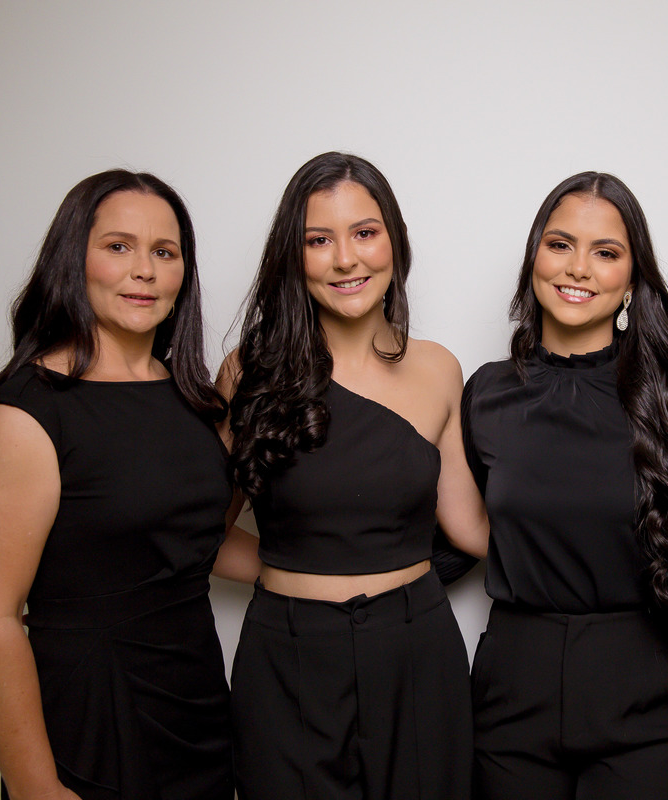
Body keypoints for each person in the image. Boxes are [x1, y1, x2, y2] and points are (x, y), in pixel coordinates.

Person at [0, 169, 259, 800]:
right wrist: (37, 788)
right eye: (119, 246)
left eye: (164, 252)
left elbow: (190, 544)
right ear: (73, 259)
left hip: (197, 704)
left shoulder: (191, 398)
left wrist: (331, 563)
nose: (144, 270)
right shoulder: (28, 415)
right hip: (91, 716)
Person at [222, 152, 488, 800]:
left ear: (394, 240)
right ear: (293, 256)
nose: (346, 259)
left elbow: (469, 528)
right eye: (319, 240)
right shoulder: (248, 371)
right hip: (286, 656)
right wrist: (296, 573)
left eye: (365, 232)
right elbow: (200, 532)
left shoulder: (439, 368)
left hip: (417, 651)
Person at [461, 172, 668, 800]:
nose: (578, 268)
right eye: (560, 245)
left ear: (632, 279)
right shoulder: (486, 392)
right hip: (513, 683)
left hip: (642, 682)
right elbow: (464, 525)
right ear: (534, 258)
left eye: (606, 252)